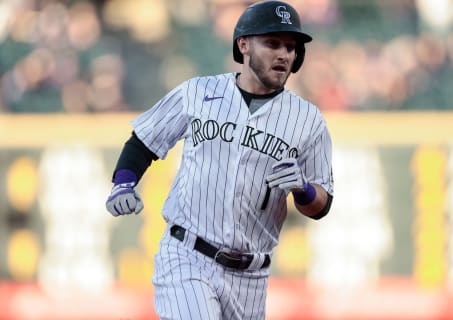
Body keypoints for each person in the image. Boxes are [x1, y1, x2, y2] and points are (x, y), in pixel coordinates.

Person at [105, 1, 334, 319]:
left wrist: (304, 189)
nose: (284, 54)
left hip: (251, 277)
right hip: (187, 255)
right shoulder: (198, 93)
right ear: (244, 45)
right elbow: (144, 140)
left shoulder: (308, 120)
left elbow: (322, 205)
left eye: (291, 47)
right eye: (272, 43)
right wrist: (123, 183)